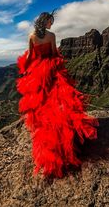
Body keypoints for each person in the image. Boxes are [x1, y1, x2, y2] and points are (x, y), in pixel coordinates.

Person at [16, 10, 99, 179]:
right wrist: (57, 65)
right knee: (58, 100)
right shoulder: (52, 36)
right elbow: (54, 53)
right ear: (45, 22)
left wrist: (27, 69)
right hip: (51, 68)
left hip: (37, 70)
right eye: (50, 22)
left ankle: (44, 129)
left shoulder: (32, 36)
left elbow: (31, 55)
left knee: (42, 101)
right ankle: (64, 135)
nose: (51, 24)